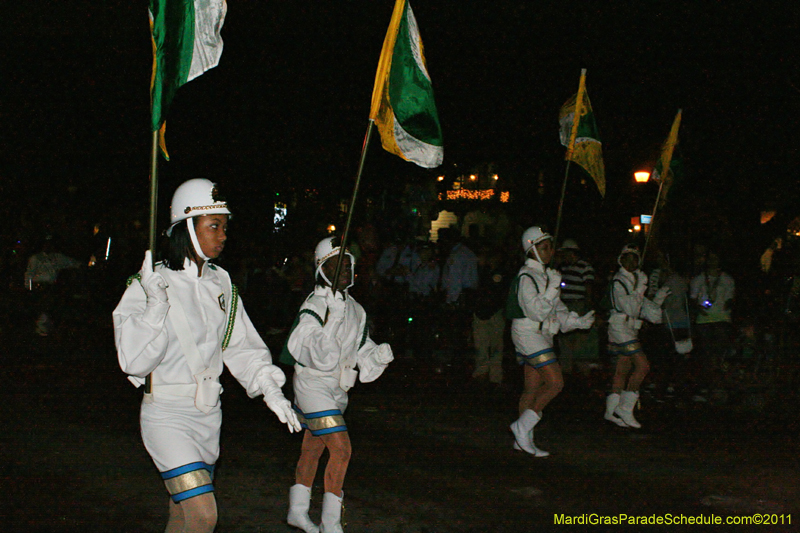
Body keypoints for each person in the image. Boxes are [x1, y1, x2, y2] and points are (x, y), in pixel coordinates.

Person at [113, 179, 301, 533]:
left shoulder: (222, 283)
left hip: (208, 419)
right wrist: (154, 307)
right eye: (214, 226)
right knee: (203, 515)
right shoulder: (149, 283)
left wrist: (270, 388)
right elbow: (133, 362)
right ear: (186, 228)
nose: (223, 235)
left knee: (181, 516)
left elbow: (241, 345)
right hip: (167, 417)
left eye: (224, 227)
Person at [282, 237, 394, 533]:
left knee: (312, 450)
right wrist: (332, 321)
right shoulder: (316, 304)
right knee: (342, 450)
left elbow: (359, 347)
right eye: (336, 264)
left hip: (338, 389)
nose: (344, 269)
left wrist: (377, 355)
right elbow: (311, 349)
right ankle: (331, 523)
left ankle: (297, 510)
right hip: (313, 386)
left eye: (348, 263)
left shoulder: (355, 308)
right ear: (321, 269)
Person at [508, 227, 595, 456]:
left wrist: (577, 322)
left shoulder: (546, 275)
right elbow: (536, 311)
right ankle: (522, 426)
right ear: (531, 249)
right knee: (556, 383)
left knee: (532, 387)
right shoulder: (526, 276)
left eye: (549, 247)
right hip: (528, 334)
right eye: (544, 247)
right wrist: (553, 288)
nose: (550, 252)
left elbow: (557, 310)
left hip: (542, 334)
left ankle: (523, 439)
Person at [604, 244, 670, 428]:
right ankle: (626, 407)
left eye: (635, 258)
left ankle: (611, 411)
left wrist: (657, 299)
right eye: (628, 257)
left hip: (630, 328)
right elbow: (630, 307)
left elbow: (652, 315)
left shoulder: (635, 280)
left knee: (622, 369)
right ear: (621, 259)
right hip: (619, 328)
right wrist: (640, 287)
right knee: (643, 365)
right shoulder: (619, 281)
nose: (632, 262)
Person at [689, 250, 735, 401]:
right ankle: (705, 386)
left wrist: (727, 304)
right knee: (706, 354)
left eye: (716, 259)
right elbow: (692, 299)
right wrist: (699, 308)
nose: (713, 262)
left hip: (722, 319)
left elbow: (730, 299)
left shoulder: (727, 279)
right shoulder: (698, 279)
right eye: (711, 259)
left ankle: (719, 386)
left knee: (719, 353)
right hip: (704, 320)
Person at [556, 239, 599, 376]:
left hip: (578, 305)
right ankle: (566, 369)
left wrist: (587, 307)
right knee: (564, 338)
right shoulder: (563, 268)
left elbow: (589, 289)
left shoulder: (585, 267)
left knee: (579, 339)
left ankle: (580, 370)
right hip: (564, 306)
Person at [24, 234, 81, 336]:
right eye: (46, 244)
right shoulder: (36, 258)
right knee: (42, 308)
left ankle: (46, 330)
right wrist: (29, 288)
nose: (48, 246)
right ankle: (41, 331)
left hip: (51, 287)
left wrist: (86, 264)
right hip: (39, 286)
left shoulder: (57, 257)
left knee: (50, 308)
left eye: (50, 244)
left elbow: (72, 262)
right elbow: (29, 273)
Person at [471, 246, 509, 385]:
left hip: (493, 313)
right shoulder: (482, 272)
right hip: (482, 313)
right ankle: (483, 371)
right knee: (481, 344)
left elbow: (497, 295)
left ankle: (495, 374)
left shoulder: (500, 274)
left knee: (496, 346)